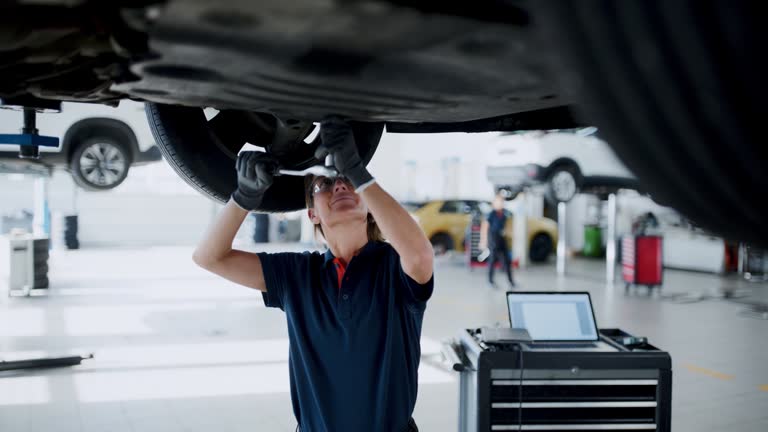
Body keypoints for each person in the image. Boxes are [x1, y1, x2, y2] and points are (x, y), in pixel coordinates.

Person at [192, 117, 434, 432]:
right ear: (312, 213)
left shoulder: (394, 266)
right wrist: (243, 199)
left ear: (369, 204)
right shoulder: (297, 275)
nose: (340, 185)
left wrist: (360, 171)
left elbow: (419, 256)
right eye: (325, 184)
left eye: (347, 179)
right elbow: (209, 258)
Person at [479, 193, 515, 289]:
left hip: (501, 238)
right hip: (493, 238)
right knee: (492, 260)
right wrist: (483, 241)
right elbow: (485, 227)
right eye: (499, 202)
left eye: (502, 202)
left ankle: (511, 281)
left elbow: (506, 225)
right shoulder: (491, 214)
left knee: (507, 260)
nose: (501, 204)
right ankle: (490, 281)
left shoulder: (504, 214)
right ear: (494, 203)